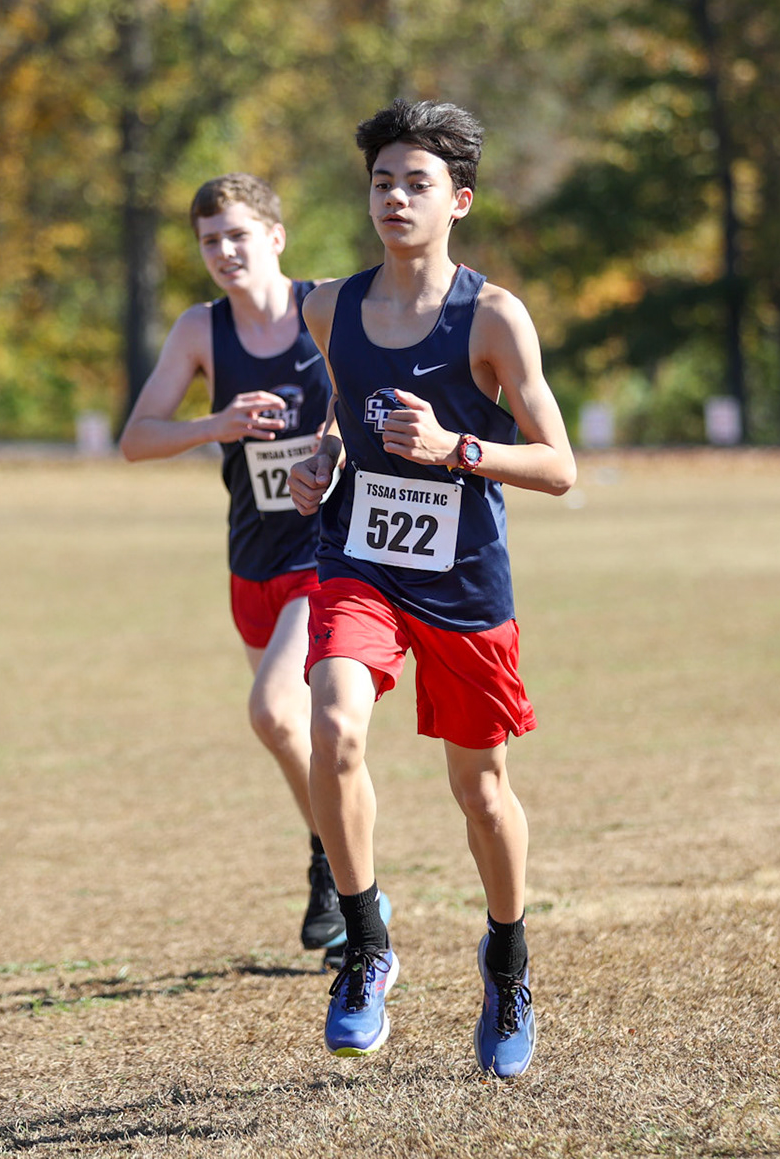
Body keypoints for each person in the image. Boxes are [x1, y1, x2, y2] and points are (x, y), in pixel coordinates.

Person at [288, 101, 575, 1077]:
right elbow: (342, 414)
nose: (394, 197)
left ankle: (507, 956)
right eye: (381, 182)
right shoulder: (330, 306)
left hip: (460, 578)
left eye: (415, 182)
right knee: (331, 722)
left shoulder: (491, 316)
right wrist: (322, 459)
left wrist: (458, 446)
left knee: (480, 789)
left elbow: (560, 464)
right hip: (359, 560)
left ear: (458, 199)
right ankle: (366, 942)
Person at [121, 173, 384, 968]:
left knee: (275, 713)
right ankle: (332, 857)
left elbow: (368, 389)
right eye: (209, 241)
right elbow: (137, 437)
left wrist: (331, 442)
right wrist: (219, 423)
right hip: (251, 560)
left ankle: (352, 892)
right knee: (292, 736)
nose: (224, 252)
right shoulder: (201, 331)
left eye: (238, 234)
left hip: (324, 552)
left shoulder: (326, 309)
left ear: (275, 235)